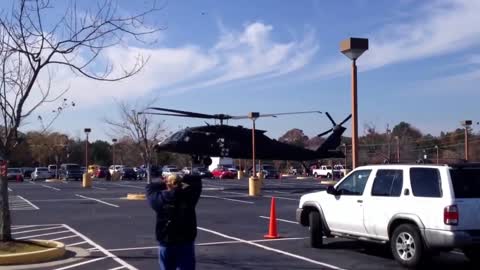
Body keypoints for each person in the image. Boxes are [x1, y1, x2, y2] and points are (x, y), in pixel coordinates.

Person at [146, 174, 202, 270]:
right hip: (185, 241)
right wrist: (182, 179)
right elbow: (196, 181)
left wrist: (165, 182)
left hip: (166, 242)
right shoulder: (189, 196)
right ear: (181, 184)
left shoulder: (159, 200)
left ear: (167, 184)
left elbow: (150, 187)